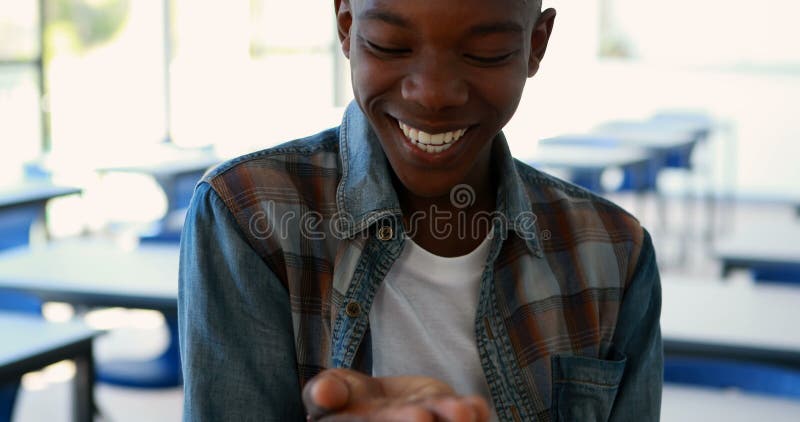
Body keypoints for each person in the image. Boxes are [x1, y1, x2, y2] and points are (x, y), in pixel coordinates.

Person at [178, 0, 663, 421]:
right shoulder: (248, 216)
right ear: (346, 27)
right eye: (389, 45)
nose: (432, 94)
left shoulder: (613, 253)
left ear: (536, 44)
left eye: (485, 54)